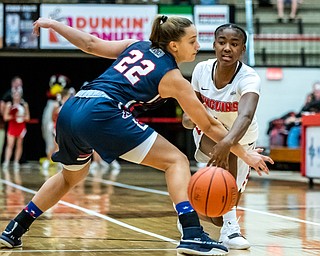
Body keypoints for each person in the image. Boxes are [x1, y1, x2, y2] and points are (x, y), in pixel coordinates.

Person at [0, 15, 272, 255]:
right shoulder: (174, 77)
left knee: (71, 176)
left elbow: (90, 44)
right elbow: (211, 127)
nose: (199, 46)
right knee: (176, 161)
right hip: (103, 112)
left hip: (74, 108)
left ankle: (15, 229)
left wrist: (54, 24)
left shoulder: (137, 45)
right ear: (174, 46)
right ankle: (191, 233)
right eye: (193, 41)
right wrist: (245, 153)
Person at [182, 23, 265, 250]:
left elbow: (246, 115)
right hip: (209, 133)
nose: (227, 48)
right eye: (222, 42)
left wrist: (228, 142)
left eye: (234, 44)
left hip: (242, 140)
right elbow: (190, 111)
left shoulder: (249, 78)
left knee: (217, 209)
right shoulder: (201, 70)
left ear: (242, 49)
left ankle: (209, 216)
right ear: (214, 45)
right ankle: (231, 230)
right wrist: (190, 118)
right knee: (226, 156)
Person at [41, 74, 71, 170]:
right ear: (63, 97)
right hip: (56, 127)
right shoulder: (56, 105)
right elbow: (53, 116)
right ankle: (47, 160)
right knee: (55, 145)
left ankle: (60, 161)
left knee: (62, 146)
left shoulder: (69, 105)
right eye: (67, 96)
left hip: (65, 128)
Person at [2, 88, 30, 170]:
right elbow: (5, 117)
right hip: (12, 126)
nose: (16, 96)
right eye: (15, 94)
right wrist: (13, 116)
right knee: (10, 144)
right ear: (12, 95)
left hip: (21, 126)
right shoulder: (9, 104)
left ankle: (16, 162)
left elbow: (28, 117)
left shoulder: (24, 105)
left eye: (18, 94)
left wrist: (21, 117)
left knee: (19, 144)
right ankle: (6, 161)